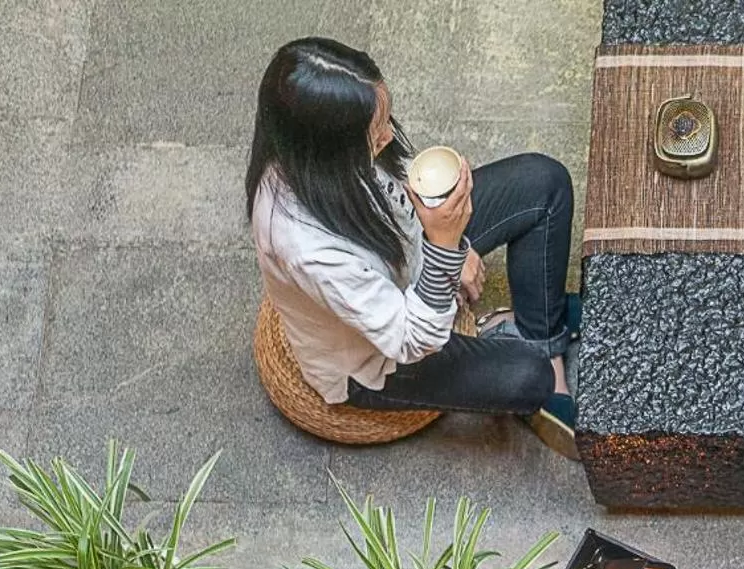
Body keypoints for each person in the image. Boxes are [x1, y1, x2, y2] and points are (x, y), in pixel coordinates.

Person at [246, 37, 579, 444]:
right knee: (532, 377)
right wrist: (445, 247)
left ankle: (542, 336)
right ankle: (536, 340)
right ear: (329, 150)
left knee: (545, 182)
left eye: (386, 119)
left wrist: (453, 246)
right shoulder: (303, 246)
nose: (388, 135)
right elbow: (410, 339)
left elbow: (402, 182)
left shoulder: (329, 153)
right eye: (375, 131)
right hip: (375, 357)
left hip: (409, 245)